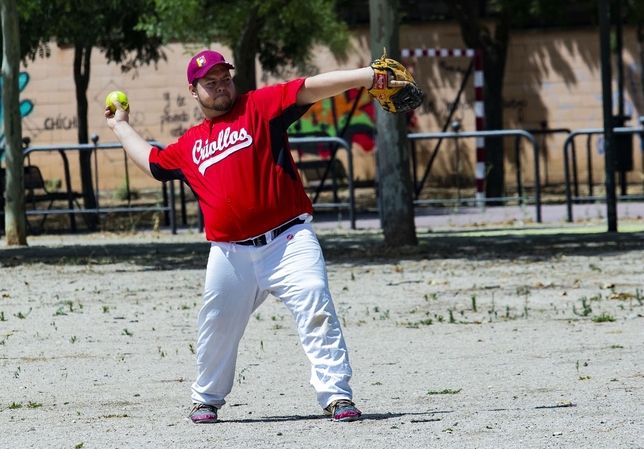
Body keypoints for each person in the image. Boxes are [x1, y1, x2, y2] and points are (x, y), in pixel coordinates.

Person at [105, 49, 407, 424]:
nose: (220, 87)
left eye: (225, 78)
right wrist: (120, 126)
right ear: (193, 91)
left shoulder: (259, 106)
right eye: (210, 83)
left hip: (289, 241)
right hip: (230, 255)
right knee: (215, 324)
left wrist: (367, 76)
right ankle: (206, 398)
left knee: (315, 301)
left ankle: (337, 396)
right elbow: (152, 162)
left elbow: (310, 88)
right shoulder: (190, 145)